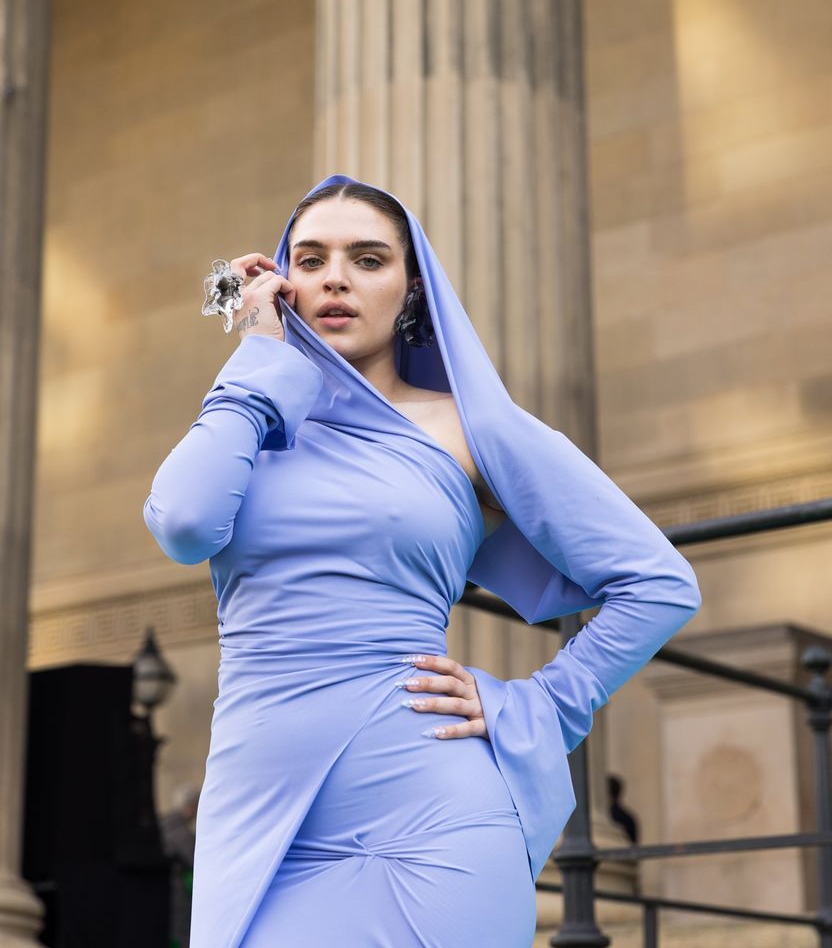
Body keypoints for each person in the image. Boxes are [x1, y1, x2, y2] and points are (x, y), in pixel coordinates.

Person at [143, 174, 701, 947]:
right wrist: (257, 352)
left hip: (429, 818)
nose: (335, 276)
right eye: (310, 259)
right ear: (279, 282)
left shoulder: (468, 429)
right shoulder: (249, 414)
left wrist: (540, 704)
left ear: (410, 290)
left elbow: (658, 583)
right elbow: (184, 522)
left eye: (368, 259)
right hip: (258, 814)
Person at [159, 783, 199, 948]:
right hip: (178, 894)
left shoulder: (164, 825)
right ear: (190, 807)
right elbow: (195, 861)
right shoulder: (180, 832)